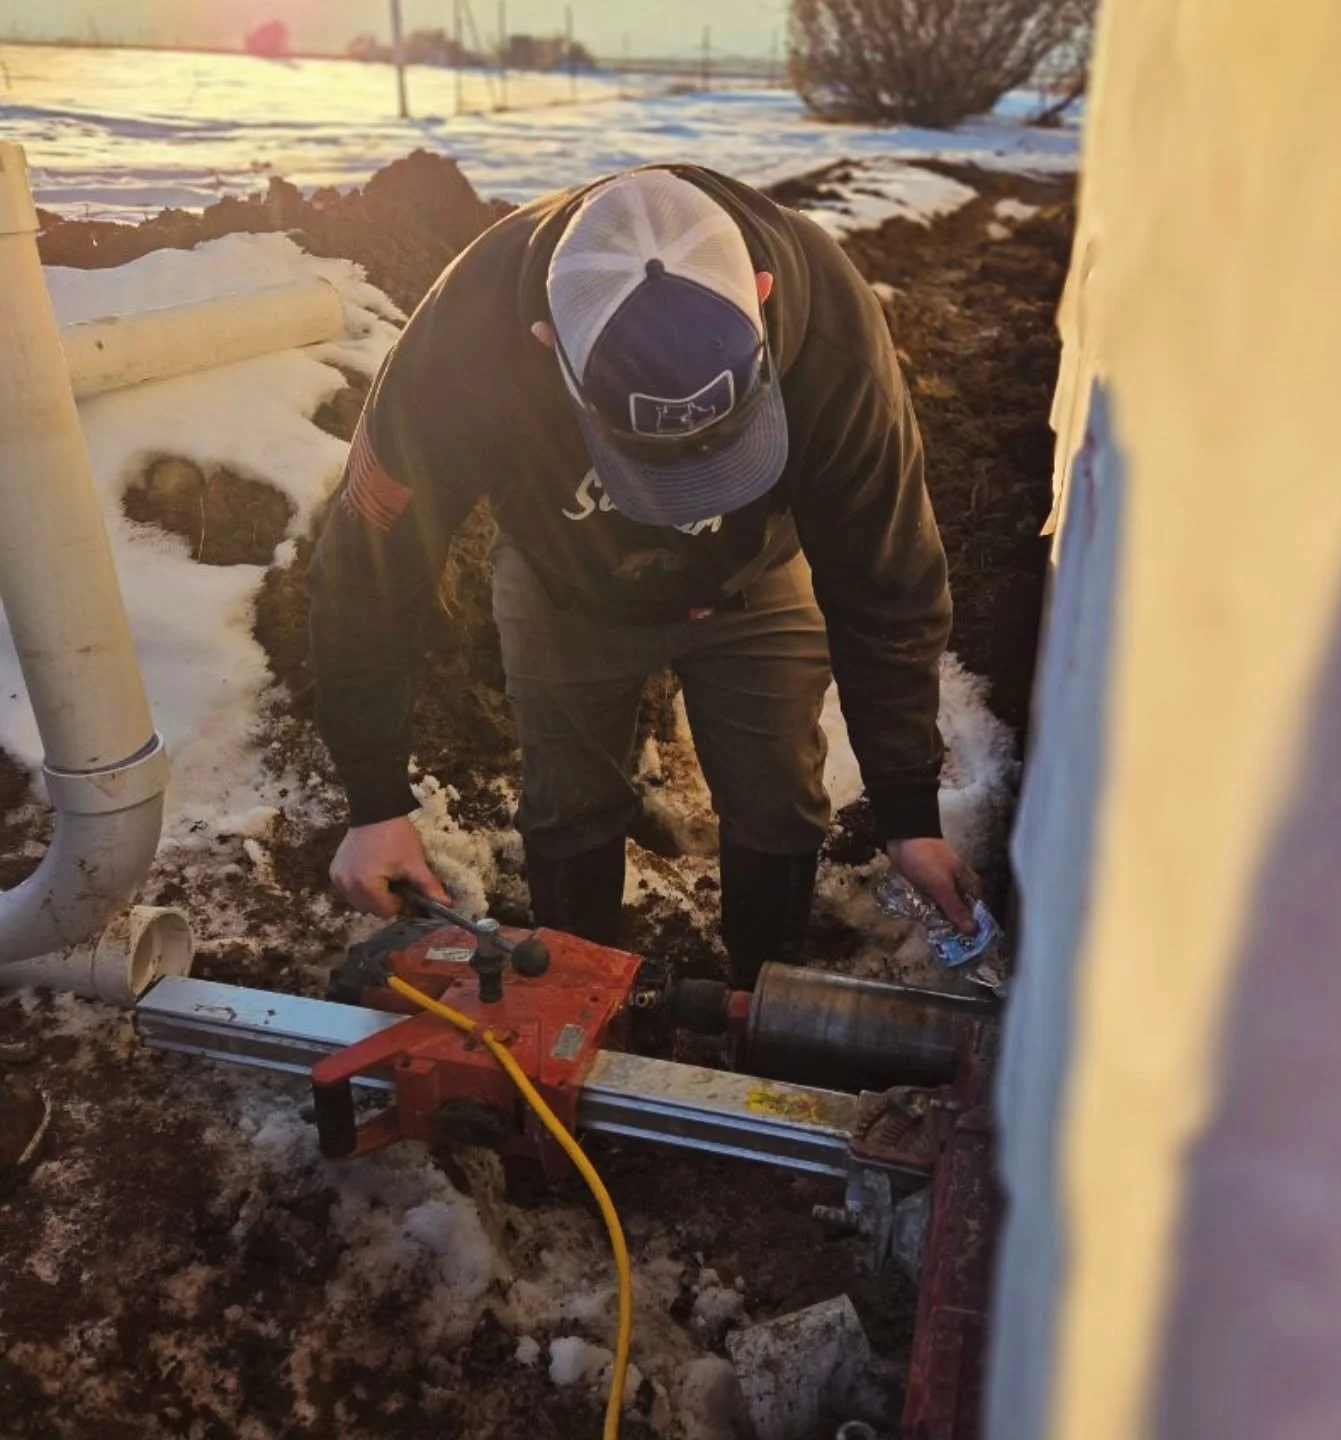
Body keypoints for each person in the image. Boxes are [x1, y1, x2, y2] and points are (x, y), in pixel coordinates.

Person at [309, 164, 980, 988]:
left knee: (778, 801)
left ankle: (758, 996)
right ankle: (572, 995)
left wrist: (909, 813)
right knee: (570, 804)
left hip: (755, 579)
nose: (678, 508)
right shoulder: (459, 351)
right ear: (549, 345)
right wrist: (375, 803)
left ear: (762, 297)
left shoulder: (832, 330)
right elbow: (366, 572)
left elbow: (887, 579)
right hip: (564, 583)